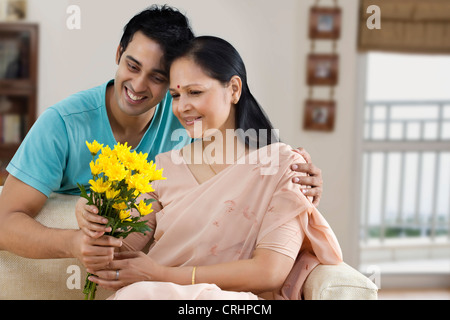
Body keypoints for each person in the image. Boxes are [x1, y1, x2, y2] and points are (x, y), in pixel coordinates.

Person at [0, 5, 322, 269]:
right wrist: (73, 241)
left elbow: (243, 174)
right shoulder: (63, 125)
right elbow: (5, 222)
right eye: (133, 65)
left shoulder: (187, 114)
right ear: (118, 53)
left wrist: (293, 174)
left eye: (158, 77)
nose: (139, 86)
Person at [77, 36, 342, 300]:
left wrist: (160, 274)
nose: (182, 107)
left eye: (195, 92)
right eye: (176, 96)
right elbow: (117, 252)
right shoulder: (162, 168)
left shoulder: (283, 166)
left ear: (234, 89)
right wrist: (88, 213)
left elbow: (270, 272)